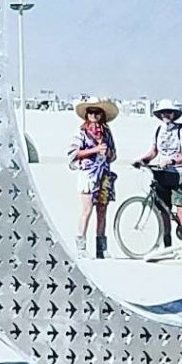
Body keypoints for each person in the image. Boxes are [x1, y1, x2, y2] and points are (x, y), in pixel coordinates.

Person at [136, 99, 182, 245]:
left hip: (179, 174)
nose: (166, 115)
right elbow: (154, 151)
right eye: (163, 112)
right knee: (164, 211)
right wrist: (143, 160)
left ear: (174, 114)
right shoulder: (159, 130)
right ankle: (167, 245)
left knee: (181, 213)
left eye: (169, 112)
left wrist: (172, 161)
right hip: (163, 175)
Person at [68, 97, 118, 259]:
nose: (94, 115)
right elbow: (73, 154)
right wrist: (94, 150)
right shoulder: (81, 133)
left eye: (97, 112)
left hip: (104, 175)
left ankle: (101, 248)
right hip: (88, 176)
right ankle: (81, 246)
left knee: (102, 211)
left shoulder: (106, 133)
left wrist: (108, 152)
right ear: (86, 114)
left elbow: (113, 155)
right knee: (87, 210)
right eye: (91, 112)